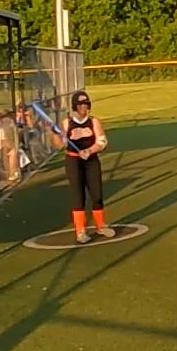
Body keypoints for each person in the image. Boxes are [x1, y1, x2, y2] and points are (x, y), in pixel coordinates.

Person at [54, 90, 112, 245]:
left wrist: (89, 151)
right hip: (73, 162)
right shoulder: (67, 123)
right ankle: (80, 231)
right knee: (78, 196)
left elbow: (102, 142)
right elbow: (59, 145)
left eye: (86, 104)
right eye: (80, 104)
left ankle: (101, 226)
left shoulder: (94, 122)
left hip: (91, 161)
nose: (84, 107)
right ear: (75, 106)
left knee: (97, 194)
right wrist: (55, 134)